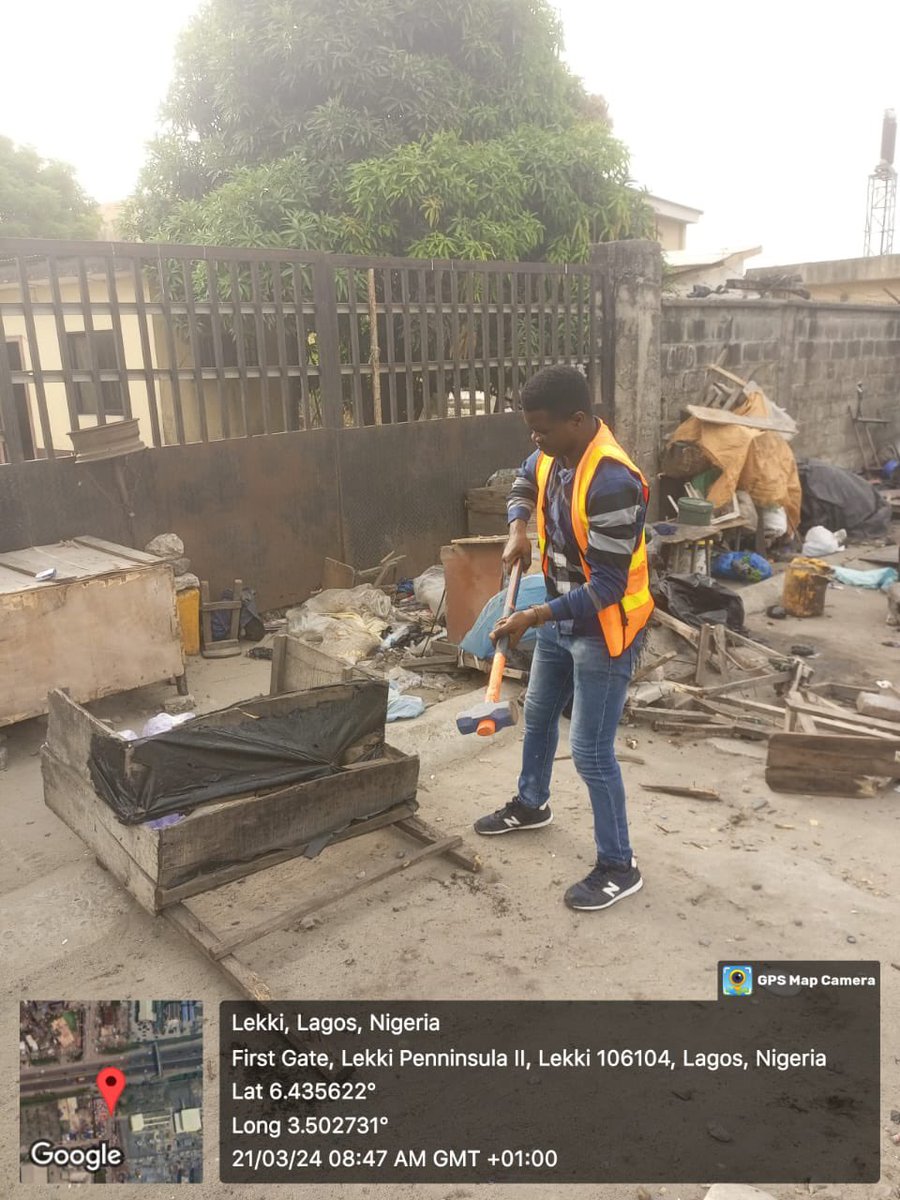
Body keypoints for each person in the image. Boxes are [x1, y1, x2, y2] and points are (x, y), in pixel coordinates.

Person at [473, 364, 654, 911]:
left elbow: (606, 587)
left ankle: (619, 865)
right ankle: (532, 804)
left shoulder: (612, 481)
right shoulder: (554, 453)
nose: (535, 440)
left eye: (543, 430)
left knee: (591, 752)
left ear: (578, 420)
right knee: (538, 710)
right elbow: (523, 479)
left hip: (603, 627)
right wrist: (517, 529)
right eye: (531, 430)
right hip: (558, 616)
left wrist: (533, 617)